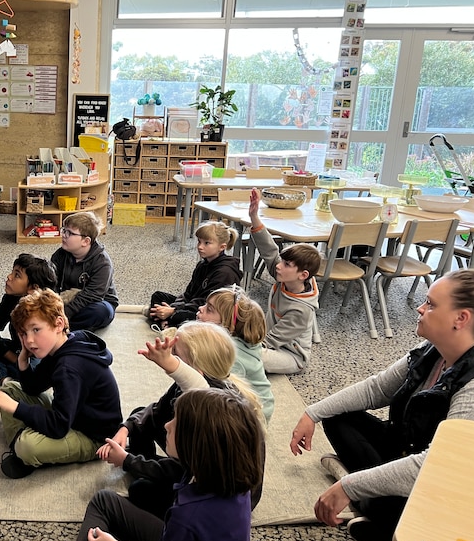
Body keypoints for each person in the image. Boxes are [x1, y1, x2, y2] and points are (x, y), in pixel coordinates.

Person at [289, 269, 474, 541]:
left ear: (461, 319)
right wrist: (312, 413)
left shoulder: (473, 386)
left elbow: (433, 466)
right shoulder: (431, 349)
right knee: (337, 416)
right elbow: (376, 389)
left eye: (431, 304)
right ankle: (373, 501)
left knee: (390, 503)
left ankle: (376, 507)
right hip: (407, 448)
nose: (420, 308)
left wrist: (348, 486)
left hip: (440, 481)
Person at [60, 388, 265, 541]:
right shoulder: (225, 472)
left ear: (195, 443)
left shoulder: (189, 518)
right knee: (104, 500)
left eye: (176, 423)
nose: (167, 425)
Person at [99, 321, 264, 518]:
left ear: (193, 369)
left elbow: (183, 470)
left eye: (175, 354)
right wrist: (125, 428)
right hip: (191, 463)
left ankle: (143, 469)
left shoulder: (209, 410)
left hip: (211, 491)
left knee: (139, 490)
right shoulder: (194, 388)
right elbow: (156, 411)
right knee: (141, 417)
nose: (170, 357)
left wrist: (128, 461)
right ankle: (144, 466)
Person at [0, 288, 122, 479]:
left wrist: (17, 409)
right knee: (9, 389)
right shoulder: (62, 345)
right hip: (72, 415)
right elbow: (32, 388)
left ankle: (23, 450)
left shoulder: (69, 367)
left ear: (58, 324)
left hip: (93, 437)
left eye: (36, 329)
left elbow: (59, 426)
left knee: (27, 446)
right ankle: (24, 442)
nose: (29, 340)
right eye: (24, 333)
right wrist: (23, 360)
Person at [248, 188, 321, 374]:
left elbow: (271, 341)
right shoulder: (286, 276)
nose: (279, 266)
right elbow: (270, 250)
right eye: (282, 261)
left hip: (290, 355)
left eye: (287, 264)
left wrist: (244, 347)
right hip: (268, 338)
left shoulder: (301, 309)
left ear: (303, 275)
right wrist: (254, 216)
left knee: (246, 356)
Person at [0, 253, 57, 386]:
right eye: (12, 272)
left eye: (17, 275)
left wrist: (22, 360)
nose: (9, 277)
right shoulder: (11, 298)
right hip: (19, 352)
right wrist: (14, 358)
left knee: (38, 373)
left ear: (33, 288)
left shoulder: (45, 308)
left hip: (38, 355)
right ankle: (4, 379)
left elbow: (44, 348)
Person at [197, 285, 274, 423]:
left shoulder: (231, 356)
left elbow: (227, 395)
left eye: (209, 309)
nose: (200, 308)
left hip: (255, 413)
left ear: (227, 325)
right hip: (252, 402)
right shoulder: (227, 342)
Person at [146, 221, 242, 329]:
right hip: (194, 306)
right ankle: (167, 323)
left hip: (210, 313)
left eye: (206, 243)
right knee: (158, 296)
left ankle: (167, 322)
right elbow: (188, 294)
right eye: (199, 242)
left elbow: (206, 304)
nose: (200, 247)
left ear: (222, 247)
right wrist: (174, 307)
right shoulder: (202, 265)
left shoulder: (224, 273)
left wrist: (174, 311)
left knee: (179, 316)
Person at [51, 211, 119, 331]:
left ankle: (64, 328)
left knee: (101, 311)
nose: (64, 235)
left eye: (69, 233)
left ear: (85, 241)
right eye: (64, 230)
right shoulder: (60, 255)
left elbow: (92, 296)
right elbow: (52, 283)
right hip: (65, 300)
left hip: (95, 302)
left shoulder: (102, 262)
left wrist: (63, 313)